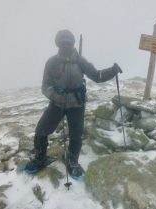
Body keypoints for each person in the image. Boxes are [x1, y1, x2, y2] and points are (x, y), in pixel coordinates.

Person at [25, 30, 122, 178]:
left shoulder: (80, 60)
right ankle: (40, 157)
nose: (66, 46)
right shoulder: (52, 62)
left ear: (72, 44)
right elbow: (45, 86)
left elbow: (97, 76)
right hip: (57, 104)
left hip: (77, 104)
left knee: (76, 136)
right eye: (63, 43)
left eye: (68, 43)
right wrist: (57, 96)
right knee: (41, 130)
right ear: (58, 44)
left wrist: (112, 71)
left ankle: (73, 161)